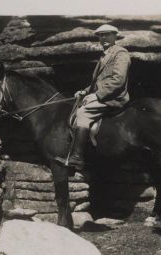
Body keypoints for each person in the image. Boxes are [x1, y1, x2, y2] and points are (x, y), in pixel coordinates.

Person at [55, 24, 131, 171]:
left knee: (83, 112)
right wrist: (85, 91)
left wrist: (96, 96)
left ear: (115, 36)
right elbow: (97, 82)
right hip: (104, 96)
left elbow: (118, 80)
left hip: (114, 98)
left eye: (107, 34)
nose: (103, 38)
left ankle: (77, 158)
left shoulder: (121, 53)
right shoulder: (103, 56)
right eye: (100, 35)